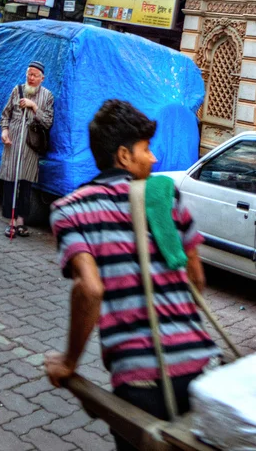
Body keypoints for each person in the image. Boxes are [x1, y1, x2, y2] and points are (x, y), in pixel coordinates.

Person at [45, 100, 218, 450]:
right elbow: (196, 279)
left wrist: (68, 362)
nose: (153, 158)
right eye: (146, 149)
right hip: (201, 371)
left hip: (139, 383)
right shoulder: (165, 197)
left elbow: (90, 290)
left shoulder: (71, 209)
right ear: (124, 156)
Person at [0, 60, 55, 236]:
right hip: (13, 143)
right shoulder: (17, 90)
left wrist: (34, 106)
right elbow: (5, 114)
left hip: (31, 146)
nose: (31, 78)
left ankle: (22, 221)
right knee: (10, 181)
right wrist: (4, 131)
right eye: (28, 74)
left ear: (42, 78)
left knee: (25, 183)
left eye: (34, 75)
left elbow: (47, 122)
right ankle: (11, 221)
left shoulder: (48, 96)